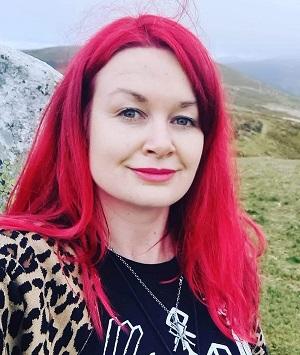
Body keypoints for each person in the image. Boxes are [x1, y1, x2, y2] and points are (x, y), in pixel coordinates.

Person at [0, 14, 269, 355]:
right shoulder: (19, 273)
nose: (161, 142)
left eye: (183, 119)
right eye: (130, 112)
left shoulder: (225, 262)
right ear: (81, 124)